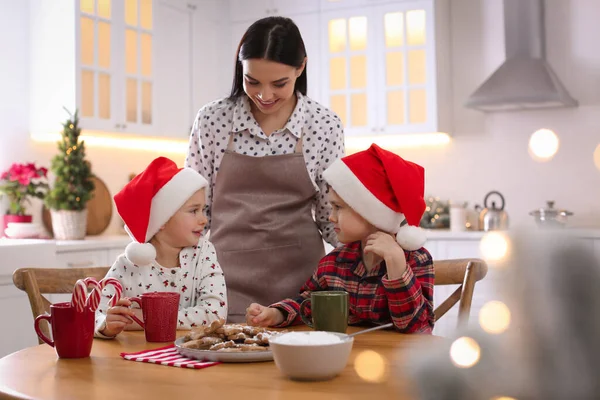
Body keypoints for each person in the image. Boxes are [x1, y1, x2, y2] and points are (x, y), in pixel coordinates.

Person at [184, 16, 345, 322]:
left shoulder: (324, 125)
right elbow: (193, 211)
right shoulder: (213, 120)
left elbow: (330, 219)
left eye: (279, 83)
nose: (265, 95)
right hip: (220, 287)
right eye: (252, 81)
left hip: (302, 293)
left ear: (301, 68)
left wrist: (369, 258)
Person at [245, 144, 435, 333]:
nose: (331, 216)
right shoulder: (334, 262)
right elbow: (310, 302)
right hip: (346, 357)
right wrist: (277, 314)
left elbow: (417, 328)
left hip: (399, 361)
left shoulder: (416, 259)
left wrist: (396, 265)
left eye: (338, 207)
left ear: (368, 212)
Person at [94, 157, 227, 338]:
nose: (203, 219)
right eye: (193, 210)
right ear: (163, 220)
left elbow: (215, 313)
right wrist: (106, 326)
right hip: (138, 361)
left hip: (193, 357)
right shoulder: (128, 265)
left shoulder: (204, 253)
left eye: (203, 210)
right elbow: (92, 314)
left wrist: (148, 319)